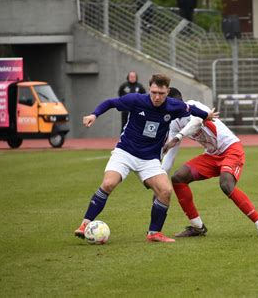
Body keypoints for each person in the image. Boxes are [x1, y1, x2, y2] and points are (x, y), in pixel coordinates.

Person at [74, 74, 218, 243]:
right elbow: (110, 103)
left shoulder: (174, 106)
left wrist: (206, 115)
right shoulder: (136, 100)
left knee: (165, 191)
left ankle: (154, 233)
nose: (157, 97)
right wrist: (94, 115)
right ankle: (85, 225)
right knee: (108, 183)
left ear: (167, 91)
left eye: (161, 93)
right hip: (125, 152)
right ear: (149, 88)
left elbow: (191, 109)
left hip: (149, 159)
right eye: (154, 92)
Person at [161, 88, 258, 238]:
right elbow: (170, 154)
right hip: (212, 155)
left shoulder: (194, 105)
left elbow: (197, 122)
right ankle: (198, 227)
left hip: (231, 149)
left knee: (226, 184)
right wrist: (160, 177)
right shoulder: (174, 123)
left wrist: (178, 137)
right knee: (178, 177)